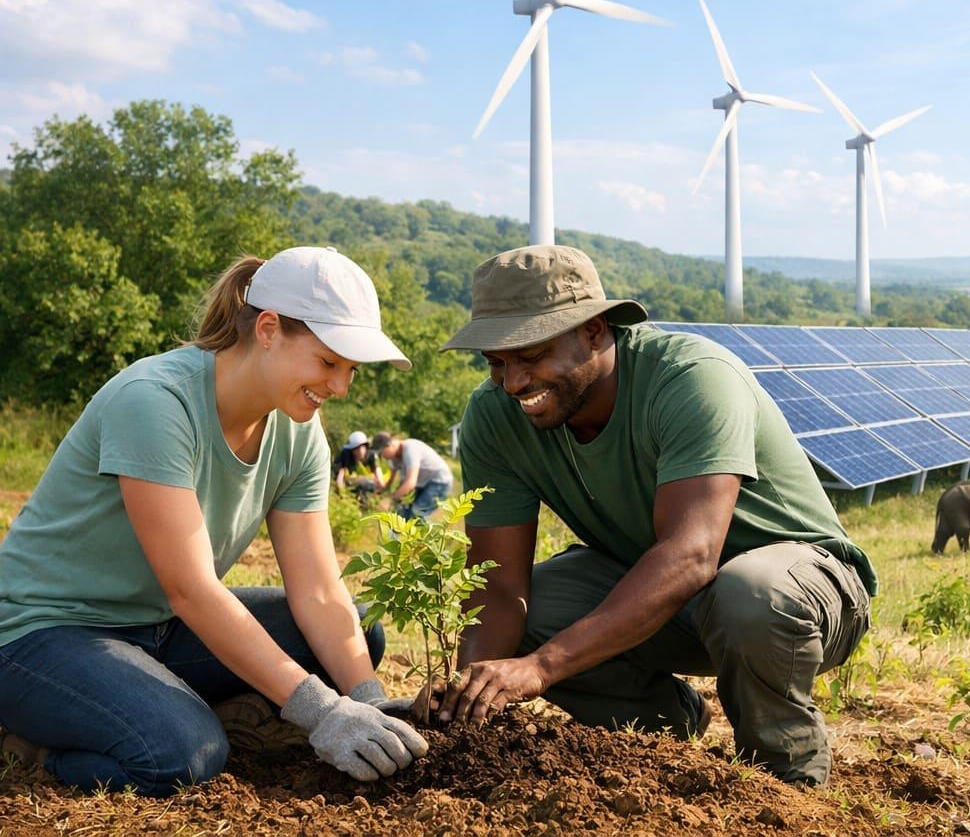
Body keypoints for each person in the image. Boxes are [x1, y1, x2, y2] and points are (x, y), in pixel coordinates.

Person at [427, 245, 875, 786]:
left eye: (532, 355)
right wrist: (466, 698)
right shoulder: (494, 416)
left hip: (798, 597)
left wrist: (541, 668)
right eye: (496, 362)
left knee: (748, 593)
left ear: (593, 330)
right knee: (535, 609)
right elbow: (498, 585)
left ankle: (785, 784)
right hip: (661, 596)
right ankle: (662, 736)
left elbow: (690, 556)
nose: (514, 381)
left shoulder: (691, 377)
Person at [0, 247, 429, 794]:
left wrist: (367, 700)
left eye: (350, 370)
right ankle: (36, 748)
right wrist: (321, 711)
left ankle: (170, 705)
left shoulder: (299, 436)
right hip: (42, 632)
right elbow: (193, 591)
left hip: (159, 631)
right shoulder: (156, 402)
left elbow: (320, 591)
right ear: (269, 329)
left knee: (357, 636)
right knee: (184, 754)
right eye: (328, 362)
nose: (340, 387)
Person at [371, 431, 455, 522]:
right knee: (402, 510)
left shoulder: (409, 449)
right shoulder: (393, 458)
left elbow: (410, 482)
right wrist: (382, 491)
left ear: (390, 444)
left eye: (382, 452)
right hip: (423, 482)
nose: (382, 456)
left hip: (440, 482)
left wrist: (392, 499)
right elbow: (391, 481)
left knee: (418, 512)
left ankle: (427, 535)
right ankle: (393, 535)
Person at [333, 431, 379, 506]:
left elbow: (378, 478)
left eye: (362, 448)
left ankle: (365, 504)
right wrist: (343, 496)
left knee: (366, 483)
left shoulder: (371, 455)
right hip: (349, 485)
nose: (359, 452)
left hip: (368, 485)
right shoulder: (345, 455)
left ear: (366, 447)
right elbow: (339, 479)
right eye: (356, 449)